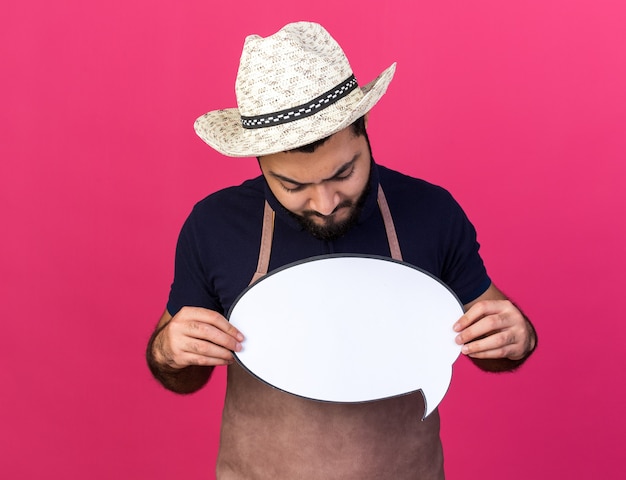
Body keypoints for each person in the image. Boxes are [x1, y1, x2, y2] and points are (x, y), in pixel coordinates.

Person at [146, 21, 537, 479]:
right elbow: (181, 373)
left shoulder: (431, 211)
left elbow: (494, 344)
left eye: (342, 173)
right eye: (293, 185)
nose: (325, 203)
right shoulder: (213, 226)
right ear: (259, 162)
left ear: (364, 129)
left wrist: (517, 335)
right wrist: (168, 352)